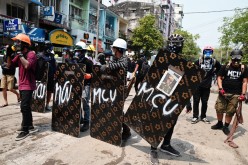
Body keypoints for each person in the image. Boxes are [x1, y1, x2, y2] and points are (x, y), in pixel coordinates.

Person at [150, 34, 184, 158]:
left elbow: (185, 82)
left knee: (172, 120)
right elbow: (152, 76)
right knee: (158, 119)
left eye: (177, 44)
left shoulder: (182, 62)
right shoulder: (161, 58)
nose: (175, 46)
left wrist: (188, 101)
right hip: (160, 93)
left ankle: (166, 144)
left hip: (175, 96)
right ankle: (153, 145)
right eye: (173, 43)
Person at [100, 38, 131, 141]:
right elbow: (111, 68)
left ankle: (126, 130)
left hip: (121, 89)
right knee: (111, 109)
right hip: (112, 89)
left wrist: (107, 65)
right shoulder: (114, 58)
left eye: (114, 48)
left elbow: (119, 66)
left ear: (119, 49)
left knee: (118, 110)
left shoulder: (124, 59)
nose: (113, 50)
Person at [8, 33, 38, 141]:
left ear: (24, 44)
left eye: (18, 42)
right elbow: (9, 65)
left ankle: (25, 130)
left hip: (28, 85)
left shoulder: (31, 54)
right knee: (26, 107)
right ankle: (29, 125)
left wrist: (20, 55)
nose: (16, 44)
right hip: (21, 84)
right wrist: (9, 54)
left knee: (24, 107)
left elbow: (27, 65)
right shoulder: (19, 55)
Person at [211, 49, 248, 135]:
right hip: (223, 93)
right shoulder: (225, 67)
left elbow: (245, 81)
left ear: (240, 59)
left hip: (236, 94)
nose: (236, 61)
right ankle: (219, 123)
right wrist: (220, 89)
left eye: (238, 59)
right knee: (219, 108)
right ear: (231, 58)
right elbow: (219, 77)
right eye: (234, 59)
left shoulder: (244, 68)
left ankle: (225, 126)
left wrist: (243, 94)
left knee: (230, 111)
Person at [190, 46, 221, 124]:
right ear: (203, 52)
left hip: (207, 86)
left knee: (204, 102)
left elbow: (220, 69)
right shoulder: (199, 61)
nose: (208, 53)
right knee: (196, 101)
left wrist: (215, 73)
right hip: (197, 85)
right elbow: (192, 70)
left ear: (212, 53)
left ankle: (203, 116)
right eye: (206, 51)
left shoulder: (214, 62)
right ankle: (195, 117)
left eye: (209, 52)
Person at [74, 41, 93, 132]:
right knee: (77, 103)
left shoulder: (88, 62)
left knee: (85, 103)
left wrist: (89, 75)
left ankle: (86, 122)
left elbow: (94, 74)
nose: (77, 53)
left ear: (83, 52)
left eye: (79, 51)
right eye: (76, 51)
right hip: (77, 84)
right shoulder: (75, 61)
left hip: (86, 85)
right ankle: (80, 118)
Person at [40, 41, 56, 111]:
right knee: (41, 91)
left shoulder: (51, 57)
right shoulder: (40, 56)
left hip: (50, 77)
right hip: (41, 77)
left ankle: (47, 104)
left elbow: (54, 67)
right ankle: (40, 104)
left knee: (49, 91)